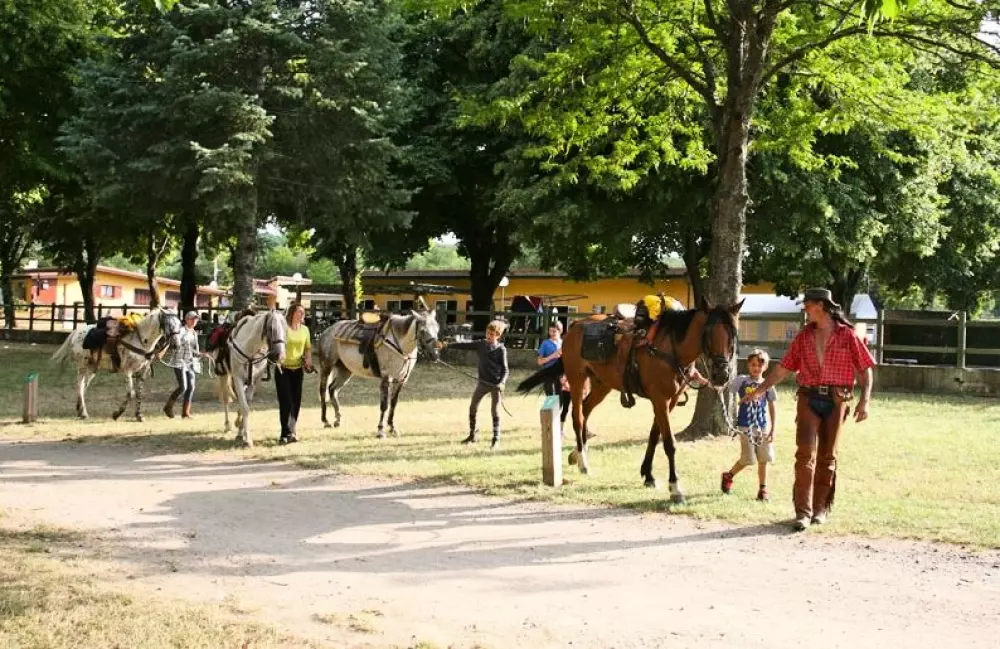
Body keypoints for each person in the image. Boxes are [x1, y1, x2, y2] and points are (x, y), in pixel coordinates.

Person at [745, 288, 875, 531]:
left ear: (821, 306)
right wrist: (760, 390)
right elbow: (783, 369)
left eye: (808, 305)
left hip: (838, 399)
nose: (805, 309)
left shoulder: (847, 335)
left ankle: (820, 509)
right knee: (804, 454)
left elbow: (866, 367)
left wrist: (864, 400)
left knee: (828, 456)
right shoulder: (804, 337)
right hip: (808, 397)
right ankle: (802, 513)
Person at [721, 349, 778, 502]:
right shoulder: (742, 381)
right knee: (748, 459)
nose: (756, 368)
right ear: (748, 365)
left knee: (764, 458)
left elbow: (772, 407)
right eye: (753, 364)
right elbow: (728, 390)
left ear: (765, 367)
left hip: (762, 426)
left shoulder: (768, 385)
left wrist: (772, 429)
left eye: (760, 365)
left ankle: (763, 489)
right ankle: (729, 475)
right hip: (746, 426)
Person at [448, 320, 509, 449]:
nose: (489, 336)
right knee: (473, 407)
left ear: (498, 335)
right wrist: (447, 345)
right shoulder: (481, 344)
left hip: (495, 384)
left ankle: (496, 439)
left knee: (495, 411)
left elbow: (505, 369)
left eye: (492, 334)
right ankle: (472, 435)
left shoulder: (501, 349)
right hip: (482, 383)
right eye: (488, 333)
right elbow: (464, 345)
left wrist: (502, 382)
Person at [276, 302, 312, 445]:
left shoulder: (305, 330)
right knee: (286, 401)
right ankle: (284, 433)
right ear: (292, 314)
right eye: (299, 312)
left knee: (296, 402)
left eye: (303, 312)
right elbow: (278, 345)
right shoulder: (283, 329)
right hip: (283, 369)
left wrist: (308, 359)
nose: (302, 315)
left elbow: (307, 347)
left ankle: (292, 431)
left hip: (298, 369)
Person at [163, 311, 204, 419]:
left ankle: (185, 413)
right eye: (192, 319)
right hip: (179, 362)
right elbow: (172, 341)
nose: (194, 321)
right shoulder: (180, 331)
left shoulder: (194, 333)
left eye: (196, 319)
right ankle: (168, 407)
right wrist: (161, 352)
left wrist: (201, 354)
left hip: (190, 363)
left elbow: (194, 350)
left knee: (191, 387)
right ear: (186, 320)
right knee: (183, 387)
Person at [537, 321, 563, 396]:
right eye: (550, 331)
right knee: (550, 399)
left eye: (554, 331)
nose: (551, 333)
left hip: (561, 375)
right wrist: (553, 356)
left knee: (560, 398)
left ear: (560, 331)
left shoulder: (564, 343)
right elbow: (539, 361)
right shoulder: (545, 344)